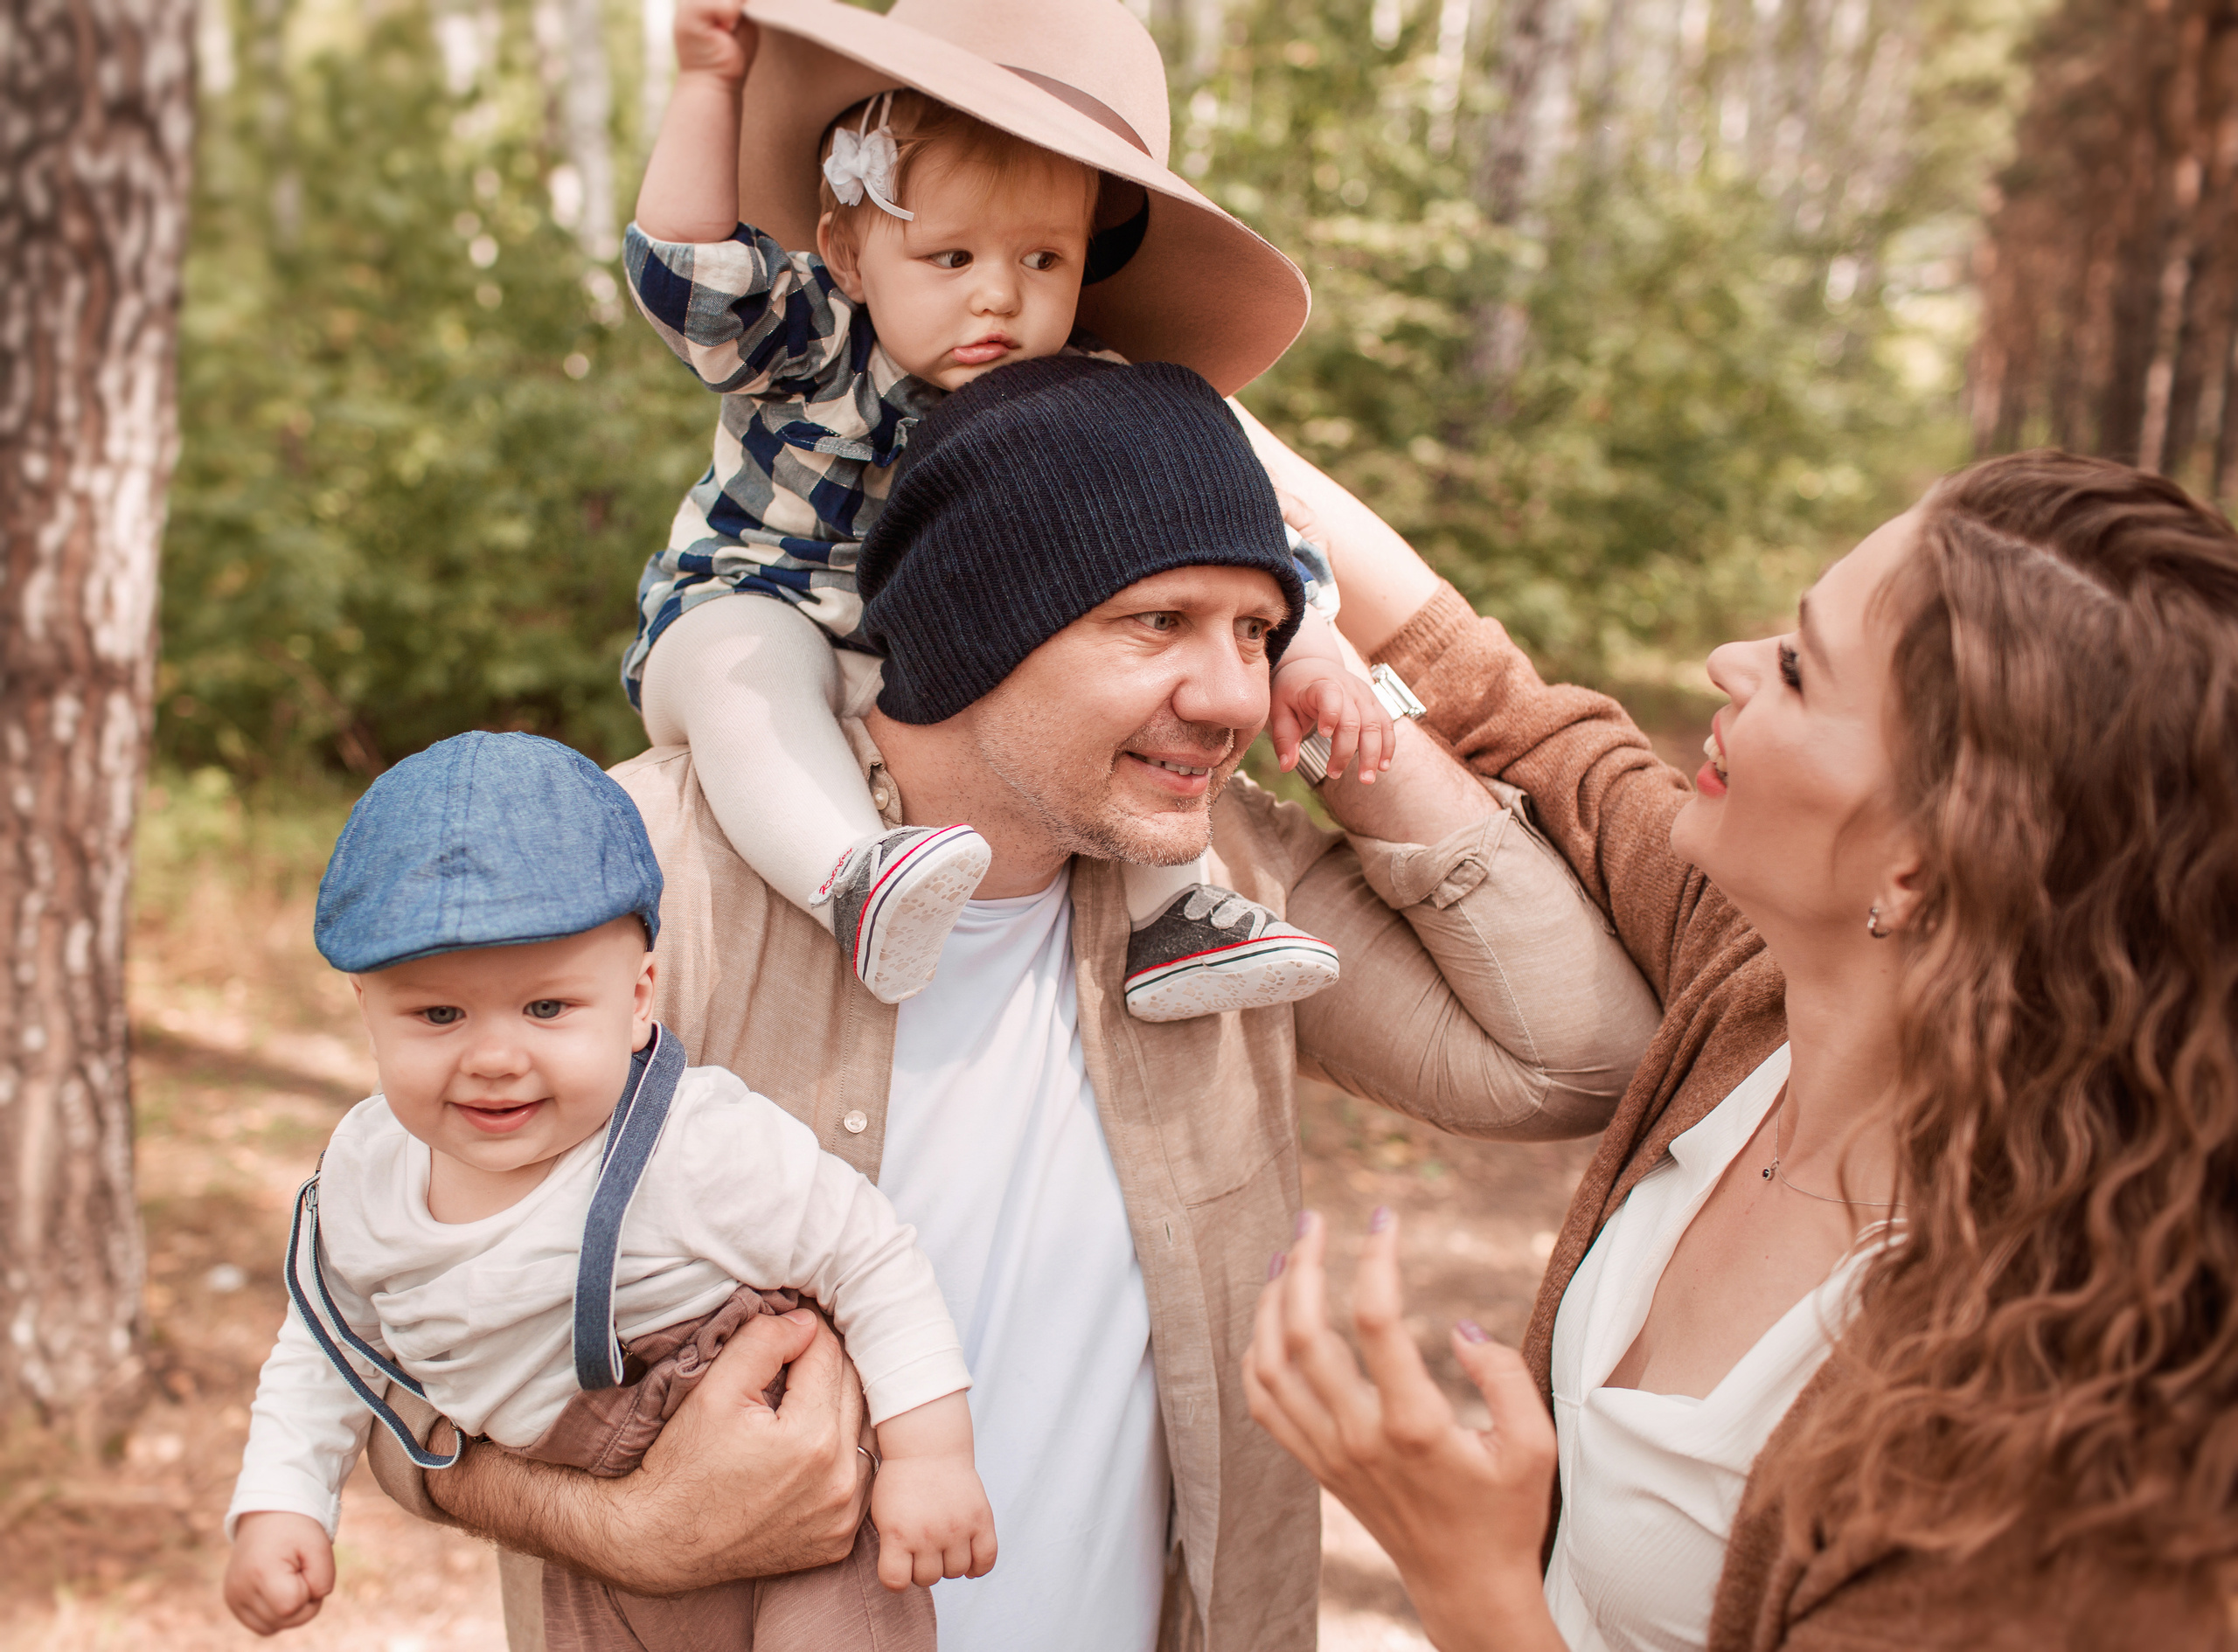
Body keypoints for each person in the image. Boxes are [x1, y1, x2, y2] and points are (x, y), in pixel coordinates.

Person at [363, 356, 1667, 1652]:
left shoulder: (1218, 882)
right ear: (985, 614)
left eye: (1255, 631)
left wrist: (1356, 738)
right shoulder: (644, 873)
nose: (1228, 697)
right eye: (1158, 621)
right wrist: (632, 1528)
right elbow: (379, 1377)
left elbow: (1577, 1057)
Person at [1242, 441, 2238, 1649]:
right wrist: (1184, 397)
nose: (1728, 664)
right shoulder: (1759, 998)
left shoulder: (2038, 1420)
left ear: (1923, 858)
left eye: (1800, 671)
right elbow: (1505, 706)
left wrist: (1477, 1589)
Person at [622, 0, 1384, 1017]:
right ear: (849, 256)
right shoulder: (813, 340)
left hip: (933, 664)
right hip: (766, 596)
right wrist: (710, 86)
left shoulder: (1088, 396)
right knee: (742, 672)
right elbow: (689, 275)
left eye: (1041, 259)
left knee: (1114, 691)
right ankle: (850, 874)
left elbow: (1242, 539)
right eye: (952, 258)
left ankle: (1175, 918)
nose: (998, 297)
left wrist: (1314, 648)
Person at [222, 732, 993, 1649]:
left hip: (789, 1504)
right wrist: (281, 1500)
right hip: (595, 1534)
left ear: (639, 1000)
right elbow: (330, 1345)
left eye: (546, 1008)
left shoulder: (692, 1145)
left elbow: (869, 1253)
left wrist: (928, 1455)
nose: (496, 1059)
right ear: (368, 1014)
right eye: (438, 1014)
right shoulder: (363, 1175)